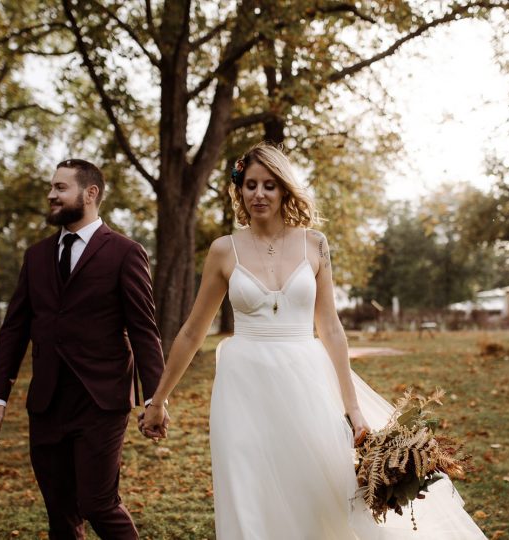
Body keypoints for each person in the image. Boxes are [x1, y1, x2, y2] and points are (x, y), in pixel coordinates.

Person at [141, 142, 486, 538]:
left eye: (269, 185)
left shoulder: (315, 244)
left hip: (305, 380)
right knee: (246, 490)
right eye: (250, 185)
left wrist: (353, 409)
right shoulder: (223, 250)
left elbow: (331, 326)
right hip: (242, 388)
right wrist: (159, 399)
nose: (258, 194)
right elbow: (191, 331)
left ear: (285, 189)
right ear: (240, 190)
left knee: (317, 492)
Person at [0, 159, 168, 539]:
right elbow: (14, 329)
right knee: (60, 513)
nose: (51, 194)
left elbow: (144, 331)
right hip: (47, 402)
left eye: (60, 187)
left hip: (100, 401)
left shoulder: (124, 253)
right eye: (51, 187)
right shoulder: (35, 256)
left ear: (90, 193)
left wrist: (156, 399)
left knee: (98, 504)